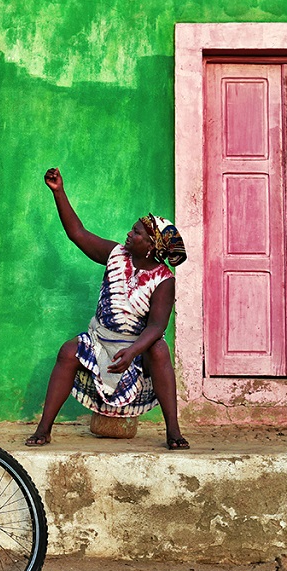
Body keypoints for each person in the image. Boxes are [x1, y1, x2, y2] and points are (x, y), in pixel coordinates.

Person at [25, 168, 190, 450]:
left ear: (151, 246)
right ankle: (44, 428)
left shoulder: (164, 279)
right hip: (100, 340)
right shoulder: (115, 255)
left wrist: (134, 351)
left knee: (160, 350)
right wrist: (58, 192)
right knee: (68, 351)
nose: (130, 233)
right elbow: (77, 233)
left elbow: (157, 326)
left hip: (138, 347)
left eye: (137, 232)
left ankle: (173, 431)